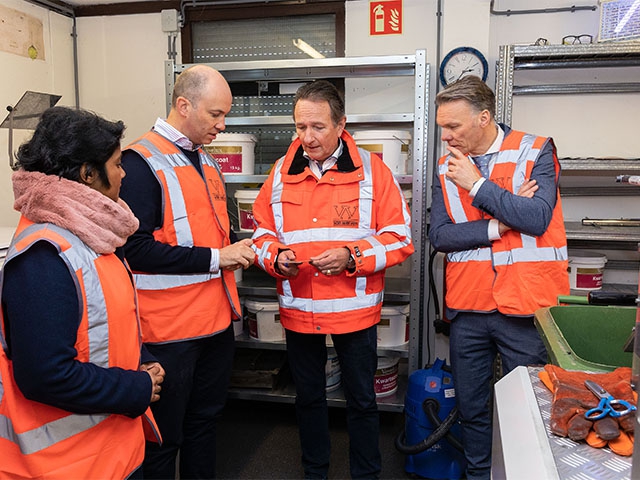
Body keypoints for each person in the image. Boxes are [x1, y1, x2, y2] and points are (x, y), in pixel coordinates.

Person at [251, 80, 414, 479]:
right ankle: (315, 472)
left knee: (361, 400)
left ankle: (366, 473)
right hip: (299, 309)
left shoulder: (374, 173)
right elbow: (260, 233)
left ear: (341, 124)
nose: (307, 137)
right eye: (300, 127)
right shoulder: (279, 172)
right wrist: (276, 257)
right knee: (308, 399)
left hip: (352, 311)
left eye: (318, 127)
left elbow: (400, 238)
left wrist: (351, 256)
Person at [0, 106, 165, 479]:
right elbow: (46, 375)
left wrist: (143, 357)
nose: (124, 174)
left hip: (113, 451)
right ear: (89, 174)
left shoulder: (96, 237)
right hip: (68, 465)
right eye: (117, 164)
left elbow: (108, 321)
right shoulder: (44, 257)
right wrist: (135, 387)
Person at [428, 75, 569, 479]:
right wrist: (500, 224)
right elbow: (440, 235)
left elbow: (537, 218)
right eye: (442, 127)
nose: (447, 137)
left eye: (453, 127)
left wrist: (476, 185)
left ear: (484, 117)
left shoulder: (535, 150)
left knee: (526, 410)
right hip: (469, 309)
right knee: (472, 409)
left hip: (525, 308)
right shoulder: (445, 167)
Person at [119, 64, 256, 479]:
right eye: (215, 114)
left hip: (214, 324)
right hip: (168, 333)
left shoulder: (206, 162)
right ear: (184, 105)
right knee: (164, 439)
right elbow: (135, 249)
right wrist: (220, 259)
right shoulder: (139, 162)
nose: (222, 124)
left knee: (204, 425)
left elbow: (218, 234)